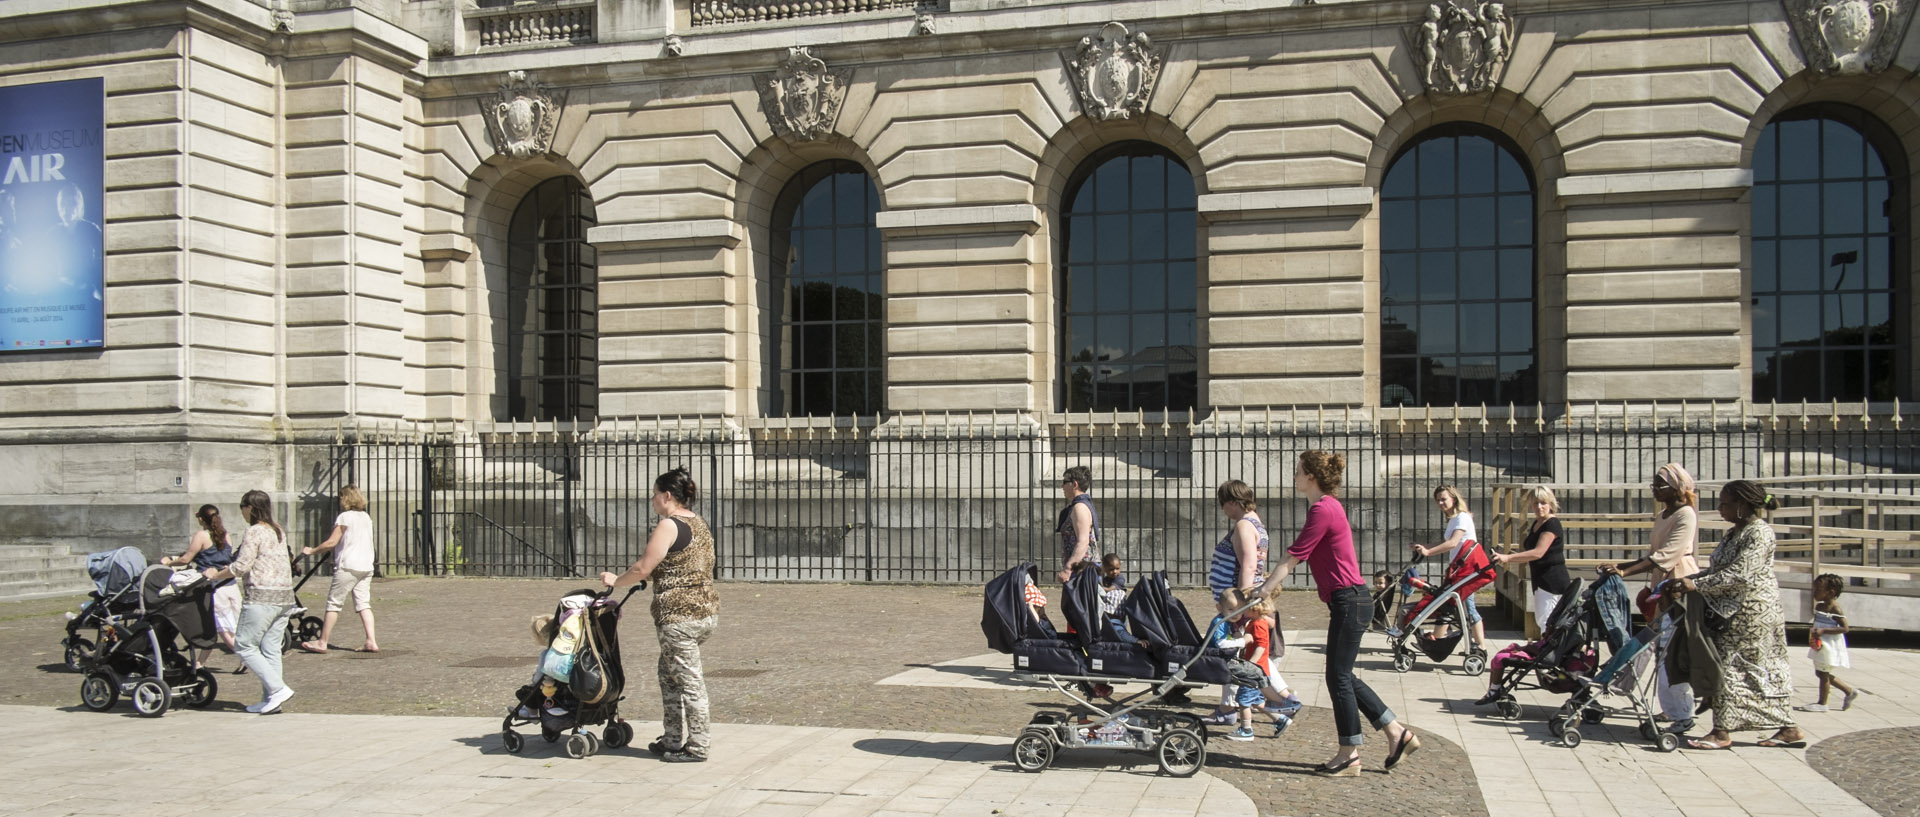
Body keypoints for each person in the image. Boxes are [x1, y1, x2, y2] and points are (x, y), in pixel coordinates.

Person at [1257, 451, 1421, 777]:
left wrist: (1262, 590)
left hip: (1350, 601)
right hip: (1349, 601)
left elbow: (1292, 559)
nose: (1295, 476)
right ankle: (1395, 732)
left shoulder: (1323, 509)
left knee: (1338, 677)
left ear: (1312, 478)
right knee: (1341, 675)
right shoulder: (1326, 506)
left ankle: (1350, 753)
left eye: (1299, 471)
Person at [1667, 480, 1806, 750]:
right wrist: (1691, 579)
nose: (1719, 508)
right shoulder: (1735, 533)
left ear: (1742, 505)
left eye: (1724, 503)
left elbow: (1741, 573)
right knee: (1747, 671)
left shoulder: (1759, 533)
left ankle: (1722, 732)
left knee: (1731, 668)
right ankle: (1788, 728)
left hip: (1751, 614)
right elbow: (1719, 569)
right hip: (1731, 611)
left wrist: (1696, 585)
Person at [600, 468, 719, 763]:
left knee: (689, 681)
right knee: (668, 676)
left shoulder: (669, 525)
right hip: (705, 612)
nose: (652, 499)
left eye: (655, 494)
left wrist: (616, 581)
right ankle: (673, 737)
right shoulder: (699, 523)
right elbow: (683, 564)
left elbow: (643, 567)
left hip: (679, 616)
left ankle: (698, 746)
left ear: (667, 496)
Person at [1599, 463, 1701, 732]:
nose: (1654, 489)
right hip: (1661, 585)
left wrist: (1626, 571)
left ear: (1676, 487)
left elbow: (1667, 555)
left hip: (1677, 585)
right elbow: (1652, 553)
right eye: (1653, 484)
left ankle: (1682, 712)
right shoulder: (1664, 514)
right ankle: (1670, 708)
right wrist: (1622, 567)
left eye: (1660, 484)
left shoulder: (1685, 515)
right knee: (1656, 649)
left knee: (1671, 651)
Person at [200, 490, 295, 714]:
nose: (241, 511)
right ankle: (271, 699)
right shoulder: (278, 529)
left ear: (250, 508)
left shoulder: (254, 531)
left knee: (243, 645)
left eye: (242, 506)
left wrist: (215, 575)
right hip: (284, 597)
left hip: (262, 597)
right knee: (270, 648)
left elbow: (241, 566)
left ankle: (277, 688)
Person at [1204, 479, 1270, 723]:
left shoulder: (1243, 524)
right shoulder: (1256, 523)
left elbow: (1249, 565)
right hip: (1234, 600)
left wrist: (1239, 604)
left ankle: (1229, 709)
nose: (1223, 510)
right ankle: (1230, 706)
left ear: (1233, 502)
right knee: (1233, 652)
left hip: (1234, 602)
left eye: (1224, 504)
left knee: (1229, 652)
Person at [299, 485, 379, 654]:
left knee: (334, 603)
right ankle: (371, 640)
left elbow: (331, 542)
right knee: (363, 603)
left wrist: (311, 550)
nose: (340, 500)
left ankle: (323, 642)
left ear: (346, 498)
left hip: (348, 566)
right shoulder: (366, 517)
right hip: (366, 566)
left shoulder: (345, 517)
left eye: (341, 497)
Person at [1409, 484, 1485, 651]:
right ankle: (1437, 639)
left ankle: (1481, 646)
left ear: (1454, 498)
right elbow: (1445, 542)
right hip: (1458, 570)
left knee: (1468, 608)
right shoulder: (1453, 519)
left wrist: (1428, 552)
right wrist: (1424, 546)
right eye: (1438, 501)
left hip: (1467, 571)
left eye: (1444, 499)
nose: (1441, 503)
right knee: (1450, 603)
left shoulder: (1462, 518)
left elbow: (1452, 543)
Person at [164, 504, 238, 669]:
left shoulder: (202, 535)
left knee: (223, 629)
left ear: (201, 519)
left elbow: (186, 559)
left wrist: (169, 562)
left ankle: (249, 658)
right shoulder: (226, 535)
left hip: (214, 586)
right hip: (231, 584)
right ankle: (199, 664)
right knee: (222, 626)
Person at [1495, 486, 1570, 631]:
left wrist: (1508, 558)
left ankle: (1553, 652)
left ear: (1551, 503)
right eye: (1535, 503)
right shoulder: (1537, 523)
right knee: (1543, 620)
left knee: (1547, 622)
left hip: (1552, 582)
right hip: (1540, 579)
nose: (1539, 507)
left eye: (1543, 503)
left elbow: (1538, 553)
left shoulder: (1552, 523)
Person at [1798, 573, 1857, 713]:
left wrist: (1823, 630)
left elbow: (1845, 628)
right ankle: (1849, 691)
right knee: (1820, 672)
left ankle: (1822, 703)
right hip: (1819, 643)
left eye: (1818, 590)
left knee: (1823, 674)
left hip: (1829, 645)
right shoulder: (1819, 607)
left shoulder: (1835, 609)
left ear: (1830, 592)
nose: (1814, 592)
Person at [1056, 466, 1100, 583]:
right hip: (1080, 570)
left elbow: (1083, 541)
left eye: (1065, 482)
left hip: (1081, 571)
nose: (1062, 486)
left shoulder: (1079, 508)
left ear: (1074, 484)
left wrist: (1068, 569)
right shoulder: (1079, 506)